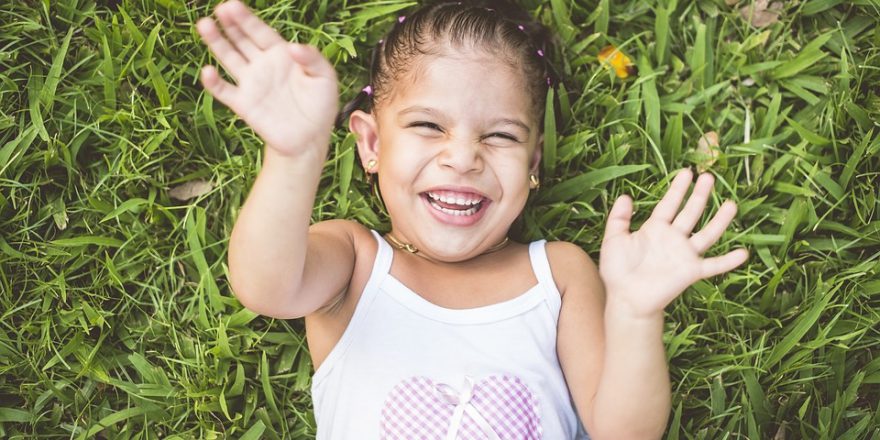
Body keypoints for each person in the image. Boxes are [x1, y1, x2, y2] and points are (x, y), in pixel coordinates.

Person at [195, 0, 749, 438]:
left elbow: (623, 431)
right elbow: (266, 287)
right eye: (428, 127)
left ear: (531, 165)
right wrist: (294, 158)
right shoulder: (356, 262)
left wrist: (634, 313)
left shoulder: (558, 274)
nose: (463, 157)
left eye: (501, 135)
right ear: (370, 144)